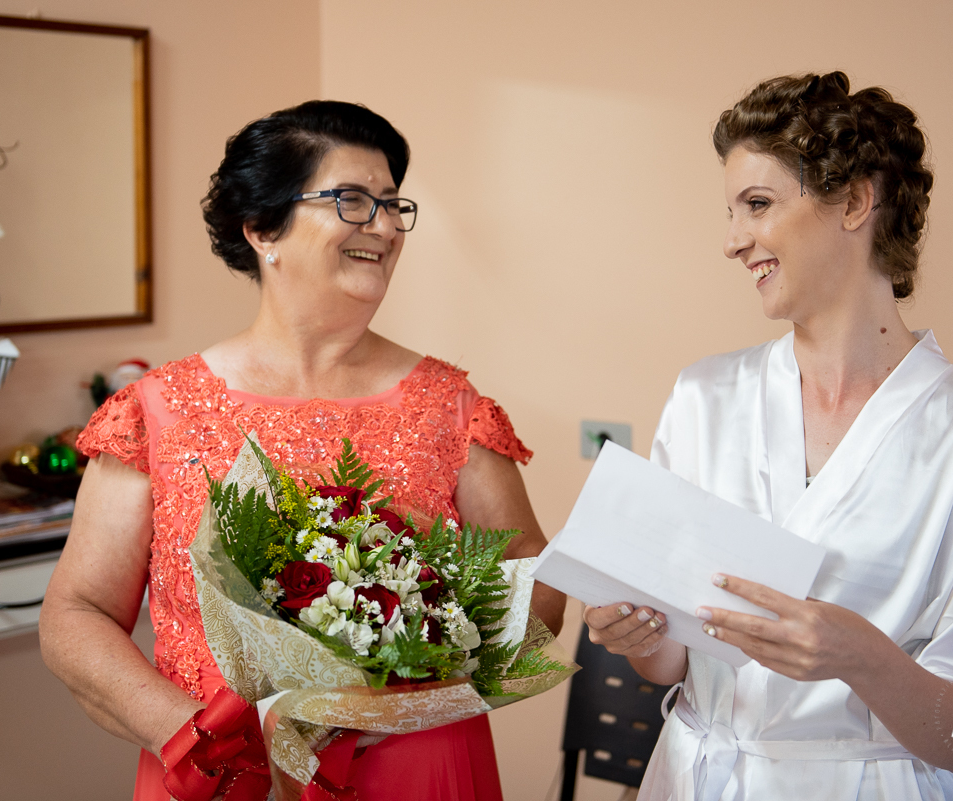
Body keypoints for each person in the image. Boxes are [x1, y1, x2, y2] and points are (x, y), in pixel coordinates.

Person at [40, 100, 565, 801]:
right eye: (351, 200)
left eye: (391, 203)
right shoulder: (155, 411)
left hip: (417, 767)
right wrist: (201, 735)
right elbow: (76, 612)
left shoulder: (452, 405)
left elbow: (536, 582)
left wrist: (417, 678)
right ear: (262, 228)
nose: (382, 224)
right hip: (225, 772)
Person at [583, 72, 953, 801]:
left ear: (854, 201)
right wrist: (641, 634)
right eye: (731, 210)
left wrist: (863, 657)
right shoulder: (702, 398)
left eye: (758, 204)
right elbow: (675, 663)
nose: (731, 240)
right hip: (696, 777)